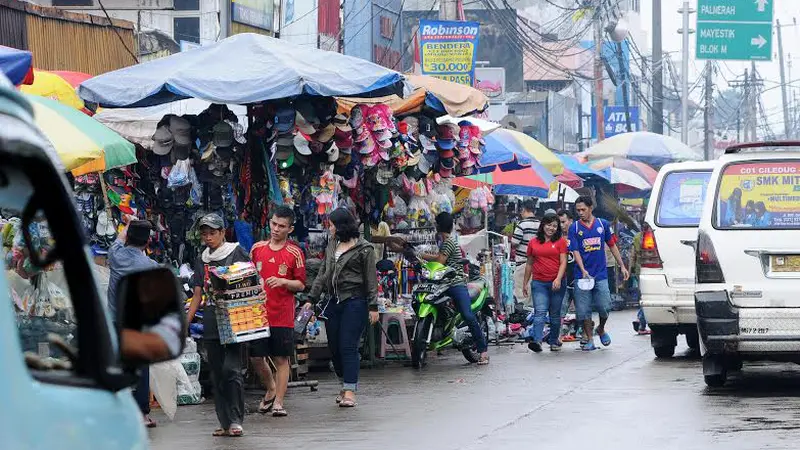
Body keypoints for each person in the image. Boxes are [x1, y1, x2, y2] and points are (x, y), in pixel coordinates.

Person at [186, 214, 250, 437]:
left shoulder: (237, 252)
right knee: (216, 372)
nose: (208, 237)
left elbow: (250, 282)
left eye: (212, 232)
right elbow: (197, 293)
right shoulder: (201, 259)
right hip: (211, 318)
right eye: (204, 233)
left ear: (223, 232)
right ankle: (224, 422)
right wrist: (187, 321)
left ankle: (236, 420)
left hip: (234, 317)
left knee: (231, 369)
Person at [308, 208, 379, 408]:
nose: (328, 228)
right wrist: (311, 298)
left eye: (330, 225)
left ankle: (350, 391)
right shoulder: (332, 244)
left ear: (340, 226)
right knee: (334, 347)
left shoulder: (365, 249)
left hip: (354, 301)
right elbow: (323, 273)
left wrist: (373, 306)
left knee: (348, 345)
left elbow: (371, 280)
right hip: (333, 301)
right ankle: (344, 383)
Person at [249, 206, 306, 417]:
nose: (276, 229)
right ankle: (271, 388)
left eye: (281, 226)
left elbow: (301, 285)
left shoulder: (295, 253)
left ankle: (279, 402)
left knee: (282, 359)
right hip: (258, 313)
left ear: (290, 229)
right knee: (256, 357)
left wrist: (283, 281)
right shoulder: (256, 249)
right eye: (274, 224)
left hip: (282, 314)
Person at [107, 218, 159, 428]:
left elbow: (119, 239)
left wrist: (127, 224)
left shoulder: (115, 254)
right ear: (147, 243)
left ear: (128, 236)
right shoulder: (150, 266)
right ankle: (142, 414)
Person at [421, 212, 489, 365]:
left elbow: (440, 260)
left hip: (455, 283)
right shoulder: (442, 241)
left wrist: (423, 255)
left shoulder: (448, 242)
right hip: (441, 283)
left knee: (467, 315)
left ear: (438, 226)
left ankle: (483, 350)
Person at [568, 196, 629, 351]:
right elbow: (575, 251)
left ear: (591, 208)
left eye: (583, 209)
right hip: (581, 276)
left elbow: (612, 245)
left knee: (605, 306)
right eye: (578, 210)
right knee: (583, 310)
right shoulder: (574, 228)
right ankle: (589, 339)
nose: (580, 213)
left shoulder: (603, 224)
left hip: (600, 275)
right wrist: (583, 270)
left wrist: (622, 265)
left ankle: (601, 328)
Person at [522, 213, 568, 352]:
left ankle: (554, 340)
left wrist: (558, 279)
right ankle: (537, 341)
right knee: (540, 312)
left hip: (557, 283)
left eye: (554, 226)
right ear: (543, 225)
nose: (551, 228)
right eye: (549, 225)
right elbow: (529, 263)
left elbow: (563, 262)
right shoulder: (533, 242)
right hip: (539, 283)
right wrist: (525, 283)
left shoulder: (561, 242)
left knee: (554, 314)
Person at [512, 200, 540, 306]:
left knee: (521, 292)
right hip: (537, 263)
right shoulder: (540, 224)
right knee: (532, 294)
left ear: (523, 210)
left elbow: (515, 242)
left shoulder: (522, 224)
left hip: (523, 262)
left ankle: (522, 317)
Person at [557, 210, 578, 341]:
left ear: (571, 221)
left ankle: (583, 333)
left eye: (563, 222)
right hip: (563, 279)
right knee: (561, 309)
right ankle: (557, 335)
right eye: (559, 222)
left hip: (578, 278)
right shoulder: (556, 239)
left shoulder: (578, 236)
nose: (561, 225)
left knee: (582, 309)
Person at [630, 230, 650, 335]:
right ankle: (640, 321)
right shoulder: (654, 235)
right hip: (652, 270)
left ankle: (641, 322)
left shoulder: (637, 237)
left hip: (639, 270)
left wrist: (630, 270)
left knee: (644, 296)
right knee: (649, 297)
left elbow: (633, 256)